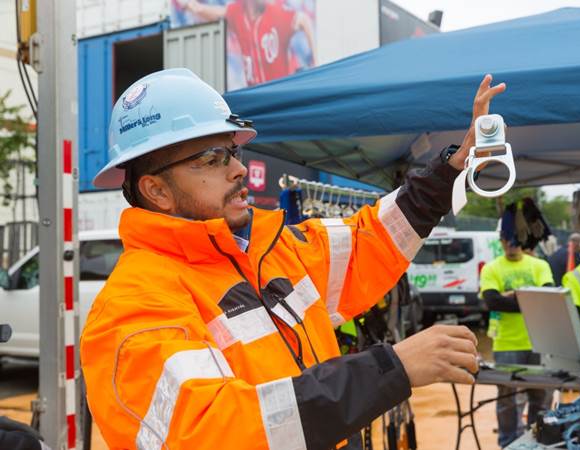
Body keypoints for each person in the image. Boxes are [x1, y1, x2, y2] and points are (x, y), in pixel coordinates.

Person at [80, 68, 506, 449]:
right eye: (212, 158)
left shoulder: (272, 251)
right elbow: (215, 431)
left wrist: (450, 169)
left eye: (233, 152)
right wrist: (389, 369)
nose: (239, 170)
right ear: (157, 191)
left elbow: (369, 241)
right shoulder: (131, 309)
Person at [480, 235, 554, 448]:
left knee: (541, 397)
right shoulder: (492, 268)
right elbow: (493, 301)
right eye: (506, 240)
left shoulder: (539, 265)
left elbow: (546, 298)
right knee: (507, 400)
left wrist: (512, 296)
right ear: (501, 241)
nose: (510, 244)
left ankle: (538, 441)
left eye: (514, 240)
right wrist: (529, 298)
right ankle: (508, 443)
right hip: (506, 344)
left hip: (538, 342)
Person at [181, 0, 316, 86]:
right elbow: (214, 13)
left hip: (280, 91)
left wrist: (315, 58)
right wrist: (191, 6)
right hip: (254, 92)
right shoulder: (236, 11)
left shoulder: (276, 11)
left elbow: (304, 20)